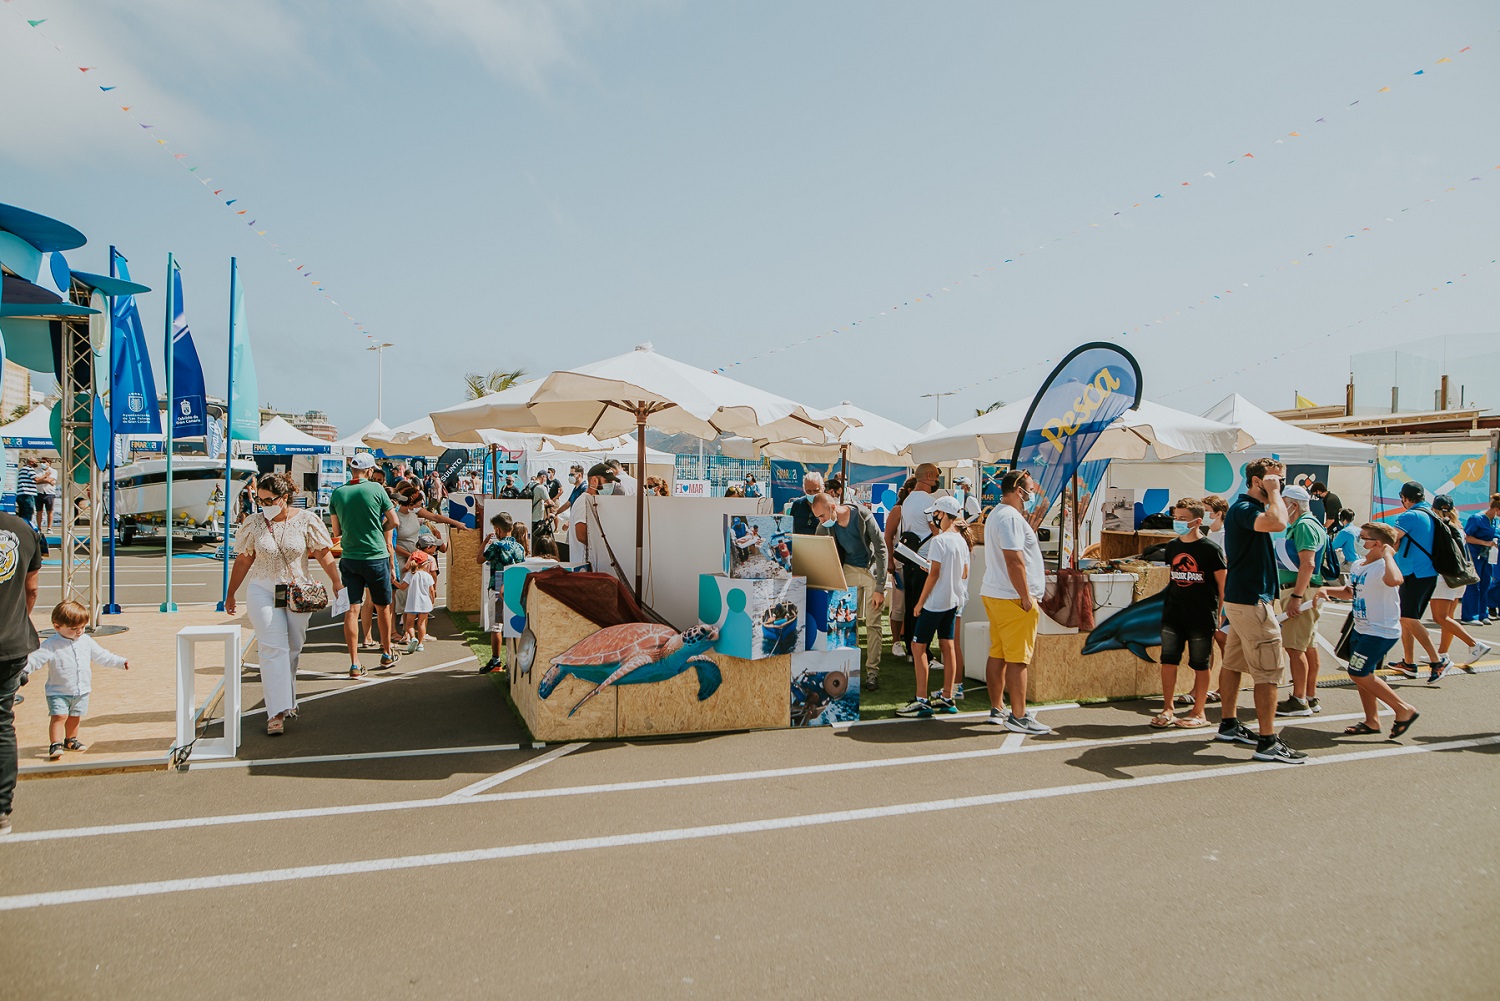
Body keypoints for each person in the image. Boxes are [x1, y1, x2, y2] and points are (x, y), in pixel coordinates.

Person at [225, 473, 342, 733]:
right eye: (260, 499)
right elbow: (244, 559)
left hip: (297, 590)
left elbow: (323, 553)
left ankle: (287, 700)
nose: (263, 504)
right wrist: (231, 593)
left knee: (291, 648)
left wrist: (336, 581)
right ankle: (275, 712)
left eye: (269, 499)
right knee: (272, 648)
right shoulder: (253, 523)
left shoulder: (306, 520)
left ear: (285, 498)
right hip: (262, 588)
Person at [1216, 457, 1304, 763]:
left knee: (1233, 663)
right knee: (1268, 670)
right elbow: (1278, 523)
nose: (1280, 487)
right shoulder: (1244, 509)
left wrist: (1275, 494)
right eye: (1276, 481)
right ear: (1258, 482)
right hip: (1251, 601)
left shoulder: (1248, 509)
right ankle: (1268, 741)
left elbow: (1283, 521)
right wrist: (1274, 493)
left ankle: (1228, 724)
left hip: (1244, 599)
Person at [1322, 523, 1421, 739]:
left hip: (1380, 632)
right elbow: (1350, 591)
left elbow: (1395, 580)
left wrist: (1388, 555)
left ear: (1376, 543)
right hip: (1361, 628)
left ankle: (1403, 709)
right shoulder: (1358, 565)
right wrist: (1326, 589)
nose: (1360, 540)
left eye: (1363, 537)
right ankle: (1371, 720)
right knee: (1364, 675)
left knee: (1357, 672)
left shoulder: (1385, 568)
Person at [980, 470, 1050, 735]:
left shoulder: (999, 514)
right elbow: (1014, 559)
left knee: (998, 653)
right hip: (1011, 597)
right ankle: (1019, 716)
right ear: (1019, 490)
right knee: (1018, 659)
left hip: (998, 593)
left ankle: (999, 708)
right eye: (1030, 489)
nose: (1032, 494)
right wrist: (1025, 596)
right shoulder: (1009, 516)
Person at [1152, 499, 1226, 729]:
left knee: (1200, 664)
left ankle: (1199, 711)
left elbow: (1223, 586)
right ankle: (1167, 708)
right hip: (1173, 612)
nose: (1178, 522)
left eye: (1183, 519)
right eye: (1176, 518)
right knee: (1168, 661)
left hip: (1201, 615)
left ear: (1197, 521)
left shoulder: (1211, 550)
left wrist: (1220, 615)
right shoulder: (1173, 547)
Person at [24, 600, 129, 759]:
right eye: (74, 629)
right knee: (59, 716)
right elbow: (35, 660)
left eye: (82, 627)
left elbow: (101, 656)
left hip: (81, 689)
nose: (79, 631)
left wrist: (120, 662)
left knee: (75, 716)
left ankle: (71, 740)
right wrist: (23, 671)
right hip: (58, 691)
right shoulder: (51, 644)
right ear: (57, 626)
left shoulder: (85, 641)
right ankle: (55, 743)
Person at [330, 453, 400, 679]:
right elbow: (394, 521)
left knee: (352, 609)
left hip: (350, 557)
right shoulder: (377, 490)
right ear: (370, 471)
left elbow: (336, 531)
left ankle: (354, 663)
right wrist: (380, 527)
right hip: (375, 555)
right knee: (382, 606)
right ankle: (387, 652)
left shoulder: (338, 492)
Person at [897, 497, 968, 717]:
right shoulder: (961, 540)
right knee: (947, 646)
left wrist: (919, 603)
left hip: (935, 602)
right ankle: (948, 696)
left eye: (936, 513)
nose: (934, 518)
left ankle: (921, 699)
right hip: (953, 601)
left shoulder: (940, 541)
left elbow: (935, 573)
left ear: (944, 514)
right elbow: (963, 572)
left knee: (918, 647)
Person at [811, 491, 889, 689]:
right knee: (846, 621)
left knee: (873, 623)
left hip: (871, 571)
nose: (820, 520)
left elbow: (881, 549)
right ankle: (849, 669)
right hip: (849, 570)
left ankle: (872, 672)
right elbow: (818, 548)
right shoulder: (825, 526)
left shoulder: (863, 515)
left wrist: (880, 587)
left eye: (822, 515)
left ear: (832, 507)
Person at [0, 502, 42, 836]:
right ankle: (1, 809)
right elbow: (31, 589)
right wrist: (20, 620)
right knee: (2, 724)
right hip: (11, 641)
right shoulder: (23, 529)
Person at [1274, 484, 1329, 718]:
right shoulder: (1309, 524)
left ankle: (1299, 699)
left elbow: (1308, 564)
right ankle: (1308, 695)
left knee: (1295, 647)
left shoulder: (1304, 525)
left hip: (1300, 591)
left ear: (1293, 504)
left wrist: (1296, 596)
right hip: (1306, 590)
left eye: (1282, 502)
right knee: (1307, 646)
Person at [1386, 480, 1450, 682]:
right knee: (1407, 619)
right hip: (1425, 572)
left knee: (1408, 618)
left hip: (1415, 573)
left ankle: (1437, 661)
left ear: (1404, 498)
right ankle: (1409, 662)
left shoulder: (1410, 515)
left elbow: (1392, 538)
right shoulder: (1429, 514)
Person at [885, 464, 946, 665]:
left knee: (912, 607)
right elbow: (936, 530)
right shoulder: (929, 501)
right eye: (936, 476)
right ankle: (924, 654)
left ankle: (913, 651)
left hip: (910, 560)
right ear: (929, 476)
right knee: (924, 608)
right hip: (925, 562)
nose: (937, 480)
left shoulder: (908, 500)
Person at [1428, 494, 1491, 666]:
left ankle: (1474, 644)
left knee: (1440, 617)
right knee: (1448, 617)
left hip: (1444, 577)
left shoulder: (1438, 526)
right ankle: (1443, 653)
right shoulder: (1458, 526)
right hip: (1460, 577)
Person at [478, 512, 528, 673]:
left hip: (497, 586)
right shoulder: (520, 547)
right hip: (514, 587)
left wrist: (485, 542)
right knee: (513, 626)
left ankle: (495, 660)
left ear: (498, 530)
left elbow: (479, 559)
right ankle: (513, 660)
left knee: (496, 626)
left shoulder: (496, 546)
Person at [1461, 493, 1500, 626]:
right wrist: (1484, 543)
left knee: (1485, 583)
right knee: (1473, 584)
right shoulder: (1476, 518)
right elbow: (1467, 537)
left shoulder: (1495, 520)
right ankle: (1469, 615)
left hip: (1488, 556)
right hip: (1474, 555)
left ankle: (1483, 613)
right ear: (1496, 509)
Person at [395, 553, 437, 653]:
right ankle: (421, 644)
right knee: (422, 624)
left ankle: (413, 637)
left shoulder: (409, 575)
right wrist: (432, 601)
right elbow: (432, 590)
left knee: (409, 625)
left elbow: (402, 587)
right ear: (425, 564)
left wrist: (394, 582)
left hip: (412, 603)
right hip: (424, 603)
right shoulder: (428, 576)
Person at [1330, 508, 1360, 572]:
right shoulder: (1358, 530)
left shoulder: (1345, 531)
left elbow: (1333, 546)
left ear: (1342, 518)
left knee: (1331, 572)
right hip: (1360, 561)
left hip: (1351, 563)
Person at [528, 470, 553, 539]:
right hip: (537, 517)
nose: (546, 480)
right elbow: (549, 502)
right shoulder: (541, 487)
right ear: (543, 476)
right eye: (546, 478)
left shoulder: (530, 485)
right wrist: (552, 503)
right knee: (538, 538)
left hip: (528, 514)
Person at [34, 458, 57, 533]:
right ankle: (39, 528)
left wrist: (43, 479)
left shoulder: (53, 471)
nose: (42, 463)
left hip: (49, 493)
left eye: (44, 462)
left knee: (49, 511)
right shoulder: (37, 471)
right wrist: (46, 476)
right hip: (39, 492)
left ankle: (49, 528)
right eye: (41, 462)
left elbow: (51, 480)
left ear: (49, 463)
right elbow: (36, 481)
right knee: (39, 511)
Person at [13, 457, 37, 528]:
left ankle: (20, 527)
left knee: (22, 513)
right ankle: (26, 528)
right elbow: (36, 479)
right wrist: (46, 477)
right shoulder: (29, 469)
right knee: (28, 512)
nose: (37, 464)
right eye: (36, 462)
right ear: (31, 462)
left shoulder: (21, 469)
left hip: (21, 494)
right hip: (27, 494)